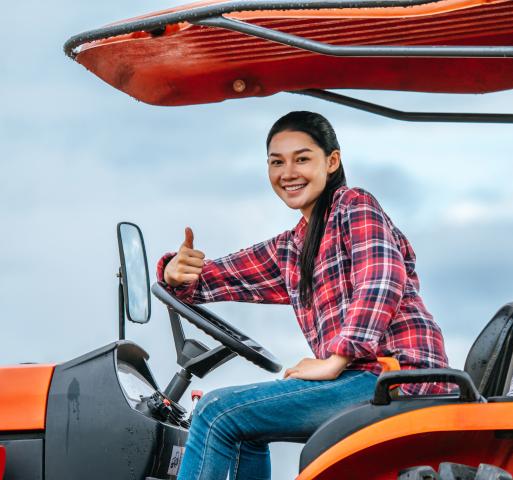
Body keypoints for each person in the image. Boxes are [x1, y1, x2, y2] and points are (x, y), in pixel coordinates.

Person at [157, 111, 450, 480]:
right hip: (360, 378)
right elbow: (217, 277)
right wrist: (174, 271)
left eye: (302, 158)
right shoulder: (293, 248)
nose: (288, 172)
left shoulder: (353, 206)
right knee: (245, 426)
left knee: (215, 410)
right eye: (277, 162)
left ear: (332, 161)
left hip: (395, 378)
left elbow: (381, 278)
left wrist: (336, 358)